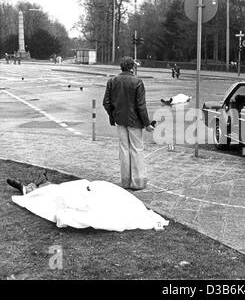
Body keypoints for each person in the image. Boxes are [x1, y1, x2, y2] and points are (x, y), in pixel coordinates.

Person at [6, 175, 169, 231]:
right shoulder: (129, 208)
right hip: (91, 191)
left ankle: (30, 189)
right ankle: (41, 185)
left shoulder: (110, 215)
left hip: (85, 199)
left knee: (54, 197)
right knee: (64, 190)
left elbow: (67, 215)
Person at [103, 56, 154, 190]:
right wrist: (147, 124)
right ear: (133, 67)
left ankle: (125, 181)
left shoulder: (112, 81)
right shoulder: (138, 82)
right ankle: (138, 182)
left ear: (121, 67)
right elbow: (141, 106)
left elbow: (106, 103)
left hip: (120, 121)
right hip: (135, 122)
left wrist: (113, 116)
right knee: (136, 149)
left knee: (124, 150)